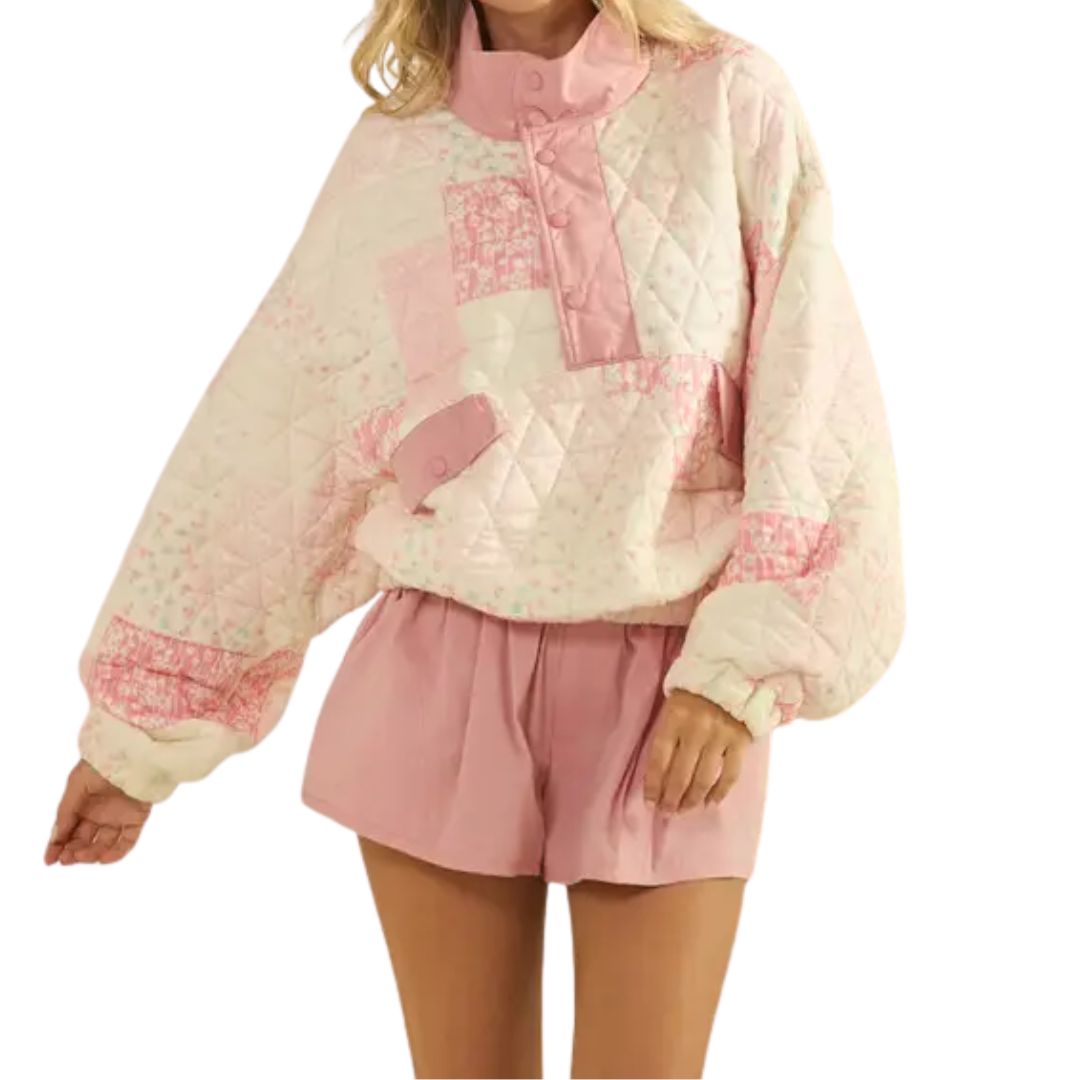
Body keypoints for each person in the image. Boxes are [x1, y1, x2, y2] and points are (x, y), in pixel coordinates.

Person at [43, 0, 906, 1075]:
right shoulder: (397, 150)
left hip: (676, 688)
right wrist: (136, 741)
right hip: (440, 675)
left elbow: (816, 397)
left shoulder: (730, 98)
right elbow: (276, 436)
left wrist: (742, 672)